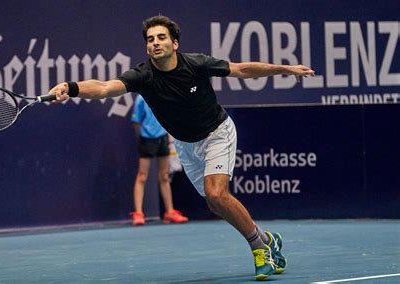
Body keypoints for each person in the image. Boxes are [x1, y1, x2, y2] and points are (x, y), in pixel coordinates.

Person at [49, 15, 315, 280]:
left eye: (161, 37)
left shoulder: (196, 63)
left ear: (174, 43)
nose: (155, 43)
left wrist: (286, 69)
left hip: (217, 133)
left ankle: (260, 249)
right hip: (186, 145)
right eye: (150, 39)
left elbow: (242, 70)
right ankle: (268, 239)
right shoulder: (143, 76)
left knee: (216, 193)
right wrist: (70, 88)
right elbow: (105, 87)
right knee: (215, 203)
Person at [130, 94, 188, 226]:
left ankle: (169, 212)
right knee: (142, 176)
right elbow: (136, 121)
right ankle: (138, 213)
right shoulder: (141, 98)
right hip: (146, 139)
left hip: (163, 137)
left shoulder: (163, 94)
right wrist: (141, 138)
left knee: (164, 176)